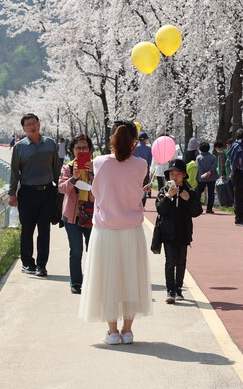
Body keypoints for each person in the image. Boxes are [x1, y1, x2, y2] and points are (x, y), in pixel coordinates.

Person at [79, 121, 153, 345]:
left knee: (107, 278)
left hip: (106, 228)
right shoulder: (141, 164)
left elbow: (95, 193)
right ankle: (128, 331)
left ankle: (112, 332)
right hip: (131, 228)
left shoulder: (100, 162)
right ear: (135, 141)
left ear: (112, 138)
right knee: (131, 277)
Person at [8, 113, 62, 277]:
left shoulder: (50, 143)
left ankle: (42, 265)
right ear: (24, 129)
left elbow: (56, 169)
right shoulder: (20, 147)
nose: (32, 126)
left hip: (47, 192)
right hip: (27, 193)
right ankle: (27, 263)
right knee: (28, 230)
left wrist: (60, 189)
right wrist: (12, 193)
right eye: (28, 124)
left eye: (34, 122)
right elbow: (14, 172)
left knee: (44, 230)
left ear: (39, 123)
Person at [156, 158, 202, 304]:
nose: (174, 177)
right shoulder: (164, 191)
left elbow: (196, 212)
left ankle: (179, 289)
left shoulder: (190, 192)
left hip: (183, 232)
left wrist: (188, 199)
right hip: (167, 233)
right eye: (171, 174)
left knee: (181, 262)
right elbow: (160, 209)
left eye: (177, 174)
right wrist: (169, 196)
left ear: (184, 175)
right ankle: (170, 290)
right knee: (170, 262)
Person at [58, 134, 95, 294]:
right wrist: (74, 178)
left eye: (84, 148)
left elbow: (102, 191)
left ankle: (94, 281)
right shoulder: (67, 168)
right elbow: (62, 189)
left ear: (90, 150)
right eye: (78, 148)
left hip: (92, 216)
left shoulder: (96, 167)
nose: (81, 150)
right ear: (72, 150)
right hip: (72, 217)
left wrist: (92, 174)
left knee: (93, 250)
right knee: (76, 250)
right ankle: (76, 283)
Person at [229, 130, 243, 226]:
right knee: (240, 197)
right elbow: (239, 160)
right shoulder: (240, 147)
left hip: (238, 173)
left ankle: (240, 217)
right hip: (241, 173)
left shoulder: (235, 145)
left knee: (240, 196)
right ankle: (239, 219)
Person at [195, 142, 218, 214]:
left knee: (198, 192)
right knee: (211, 193)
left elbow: (198, 167)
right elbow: (214, 166)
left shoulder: (198, 157)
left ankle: (197, 207)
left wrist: (204, 174)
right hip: (211, 177)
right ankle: (209, 208)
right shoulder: (213, 157)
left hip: (201, 177)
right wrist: (209, 172)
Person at [133, 132, 153, 207]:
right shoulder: (149, 149)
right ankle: (142, 204)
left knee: (134, 188)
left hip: (134, 172)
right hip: (145, 171)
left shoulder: (134, 148)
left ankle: (134, 203)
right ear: (145, 139)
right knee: (144, 188)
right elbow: (150, 161)